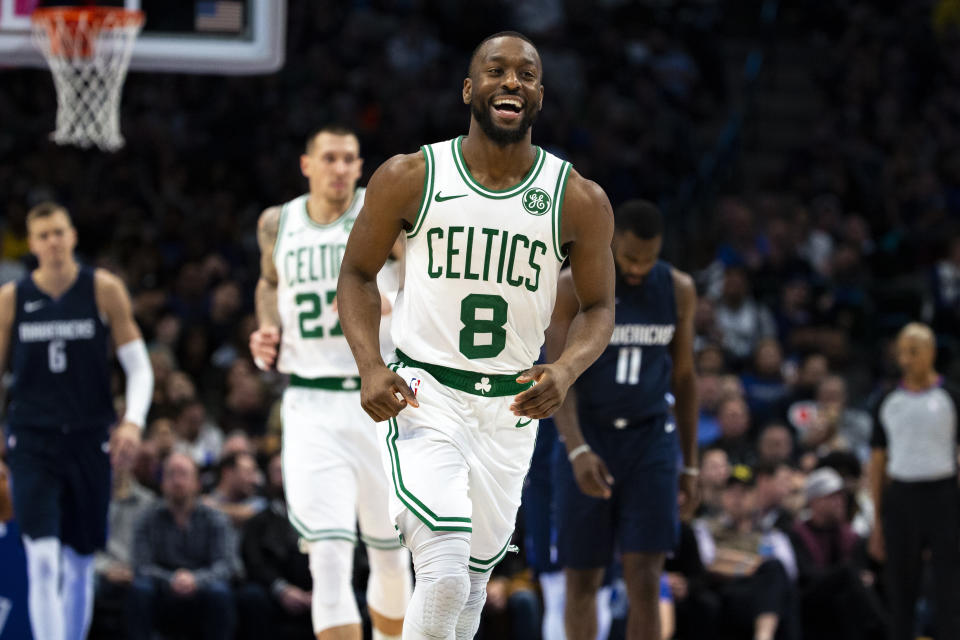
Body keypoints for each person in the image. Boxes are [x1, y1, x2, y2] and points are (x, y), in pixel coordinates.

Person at [336, 31, 616, 640]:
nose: (512, 81)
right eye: (497, 71)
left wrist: (565, 369)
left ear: (540, 96)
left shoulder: (579, 199)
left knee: (471, 595)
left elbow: (598, 309)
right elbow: (356, 274)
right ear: (470, 88)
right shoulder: (412, 175)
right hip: (426, 395)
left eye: (528, 75)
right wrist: (369, 365)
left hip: (511, 411)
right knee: (442, 577)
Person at [248, 124, 411, 640]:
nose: (340, 168)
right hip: (310, 402)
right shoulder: (278, 223)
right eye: (331, 158)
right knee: (328, 556)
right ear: (307, 164)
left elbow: (429, 278)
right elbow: (269, 283)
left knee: (389, 553)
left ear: (360, 167)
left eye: (349, 159)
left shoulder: (384, 215)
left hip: (379, 400)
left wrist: (402, 304)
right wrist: (267, 327)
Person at [0, 201, 153, 640]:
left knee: (80, 560)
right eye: (44, 235)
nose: (53, 242)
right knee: (42, 560)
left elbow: (139, 367)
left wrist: (133, 422)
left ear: (73, 236)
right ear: (31, 244)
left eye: (59, 232)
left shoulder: (104, 289)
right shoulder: (12, 300)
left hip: (88, 439)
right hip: (32, 440)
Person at [547, 199, 698, 640]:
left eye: (648, 259)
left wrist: (689, 462)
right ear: (613, 245)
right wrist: (576, 448)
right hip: (588, 436)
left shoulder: (678, 288)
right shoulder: (573, 285)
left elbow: (686, 377)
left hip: (650, 439)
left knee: (646, 580)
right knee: (582, 579)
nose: (638, 268)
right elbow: (558, 376)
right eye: (631, 258)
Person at [868, 323, 960, 640]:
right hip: (901, 498)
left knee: (950, 589)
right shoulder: (887, 402)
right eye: (902, 352)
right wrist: (877, 521)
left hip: (945, 496)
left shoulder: (951, 398)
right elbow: (877, 465)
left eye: (914, 351)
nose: (906, 359)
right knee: (901, 589)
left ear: (931, 352)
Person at [128, 452, 237, 640]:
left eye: (184, 474)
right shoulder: (147, 517)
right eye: (171, 474)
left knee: (220, 592)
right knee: (140, 589)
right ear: (162, 482)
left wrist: (196, 579)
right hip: (161, 587)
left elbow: (226, 565)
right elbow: (140, 564)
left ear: (197, 483)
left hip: (203, 587)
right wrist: (171, 579)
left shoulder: (215, 518)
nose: (177, 481)